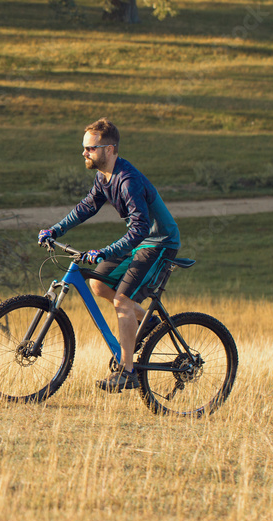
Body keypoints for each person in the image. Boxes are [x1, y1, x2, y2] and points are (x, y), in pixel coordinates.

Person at [38, 117, 180, 392]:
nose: (84, 153)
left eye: (90, 148)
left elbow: (139, 229)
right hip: (141, 243)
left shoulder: (128, 181)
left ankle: (127, 373)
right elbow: (85, 207)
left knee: (122, 301)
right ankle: (147, 323)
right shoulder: (104, 177)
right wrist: (55, 230)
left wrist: (104, 252)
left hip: (160, 243)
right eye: (85, 148)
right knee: (99, 283)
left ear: (110, 149)